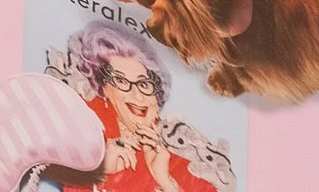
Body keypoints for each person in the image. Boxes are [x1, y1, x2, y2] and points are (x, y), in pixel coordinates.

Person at [70, 23, 219, 192]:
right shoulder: (86, 146)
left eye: (144, 83)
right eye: (121, 81)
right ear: (103, 89)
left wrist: (166, 183)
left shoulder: (173, 162)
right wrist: (101, 173)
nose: (138, 96)